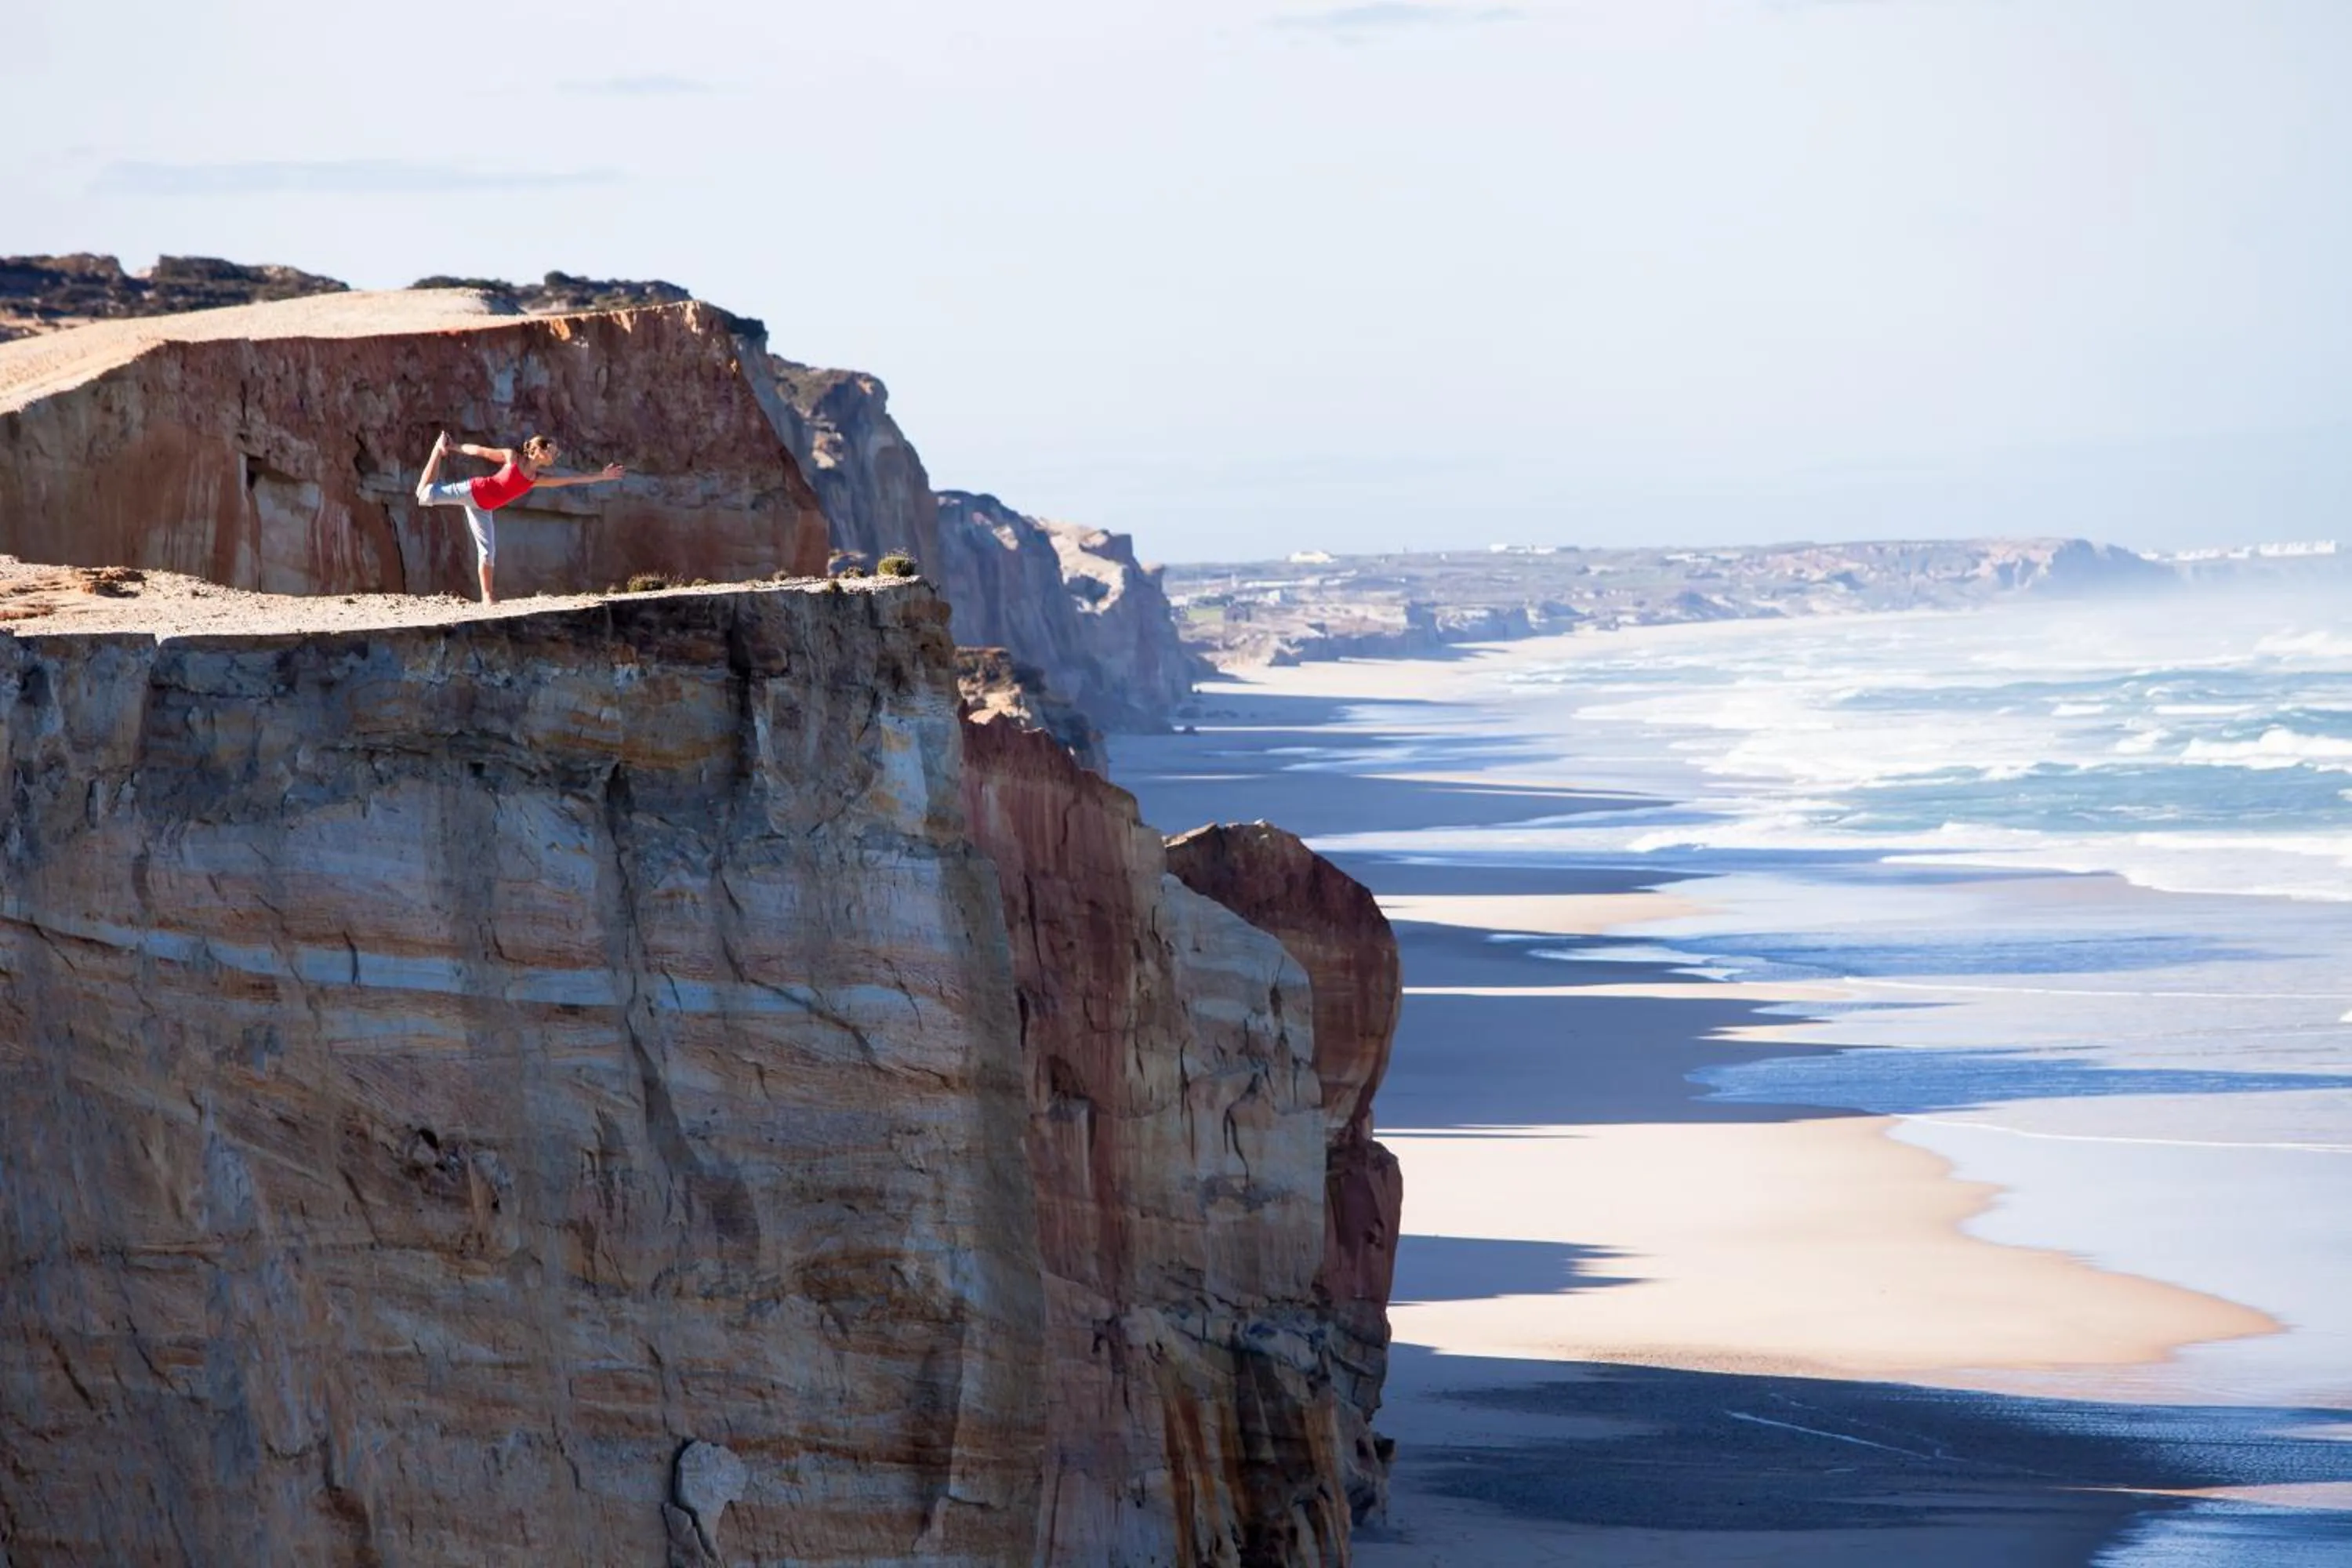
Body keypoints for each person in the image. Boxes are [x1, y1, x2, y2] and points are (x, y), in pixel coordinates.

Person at [412, 432, 625, 604]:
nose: (555, 456)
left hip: (484, 507)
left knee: (487, 552)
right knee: (424, 495)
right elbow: (480, 451)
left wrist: (601, 476)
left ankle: (487, 598)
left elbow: (570, 480)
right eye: (552, 451)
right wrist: (453, 447)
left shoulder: (535, 479)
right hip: (474, 490)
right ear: (538, 450)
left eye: (556, 453)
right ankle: (437, 450)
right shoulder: (512, 458)